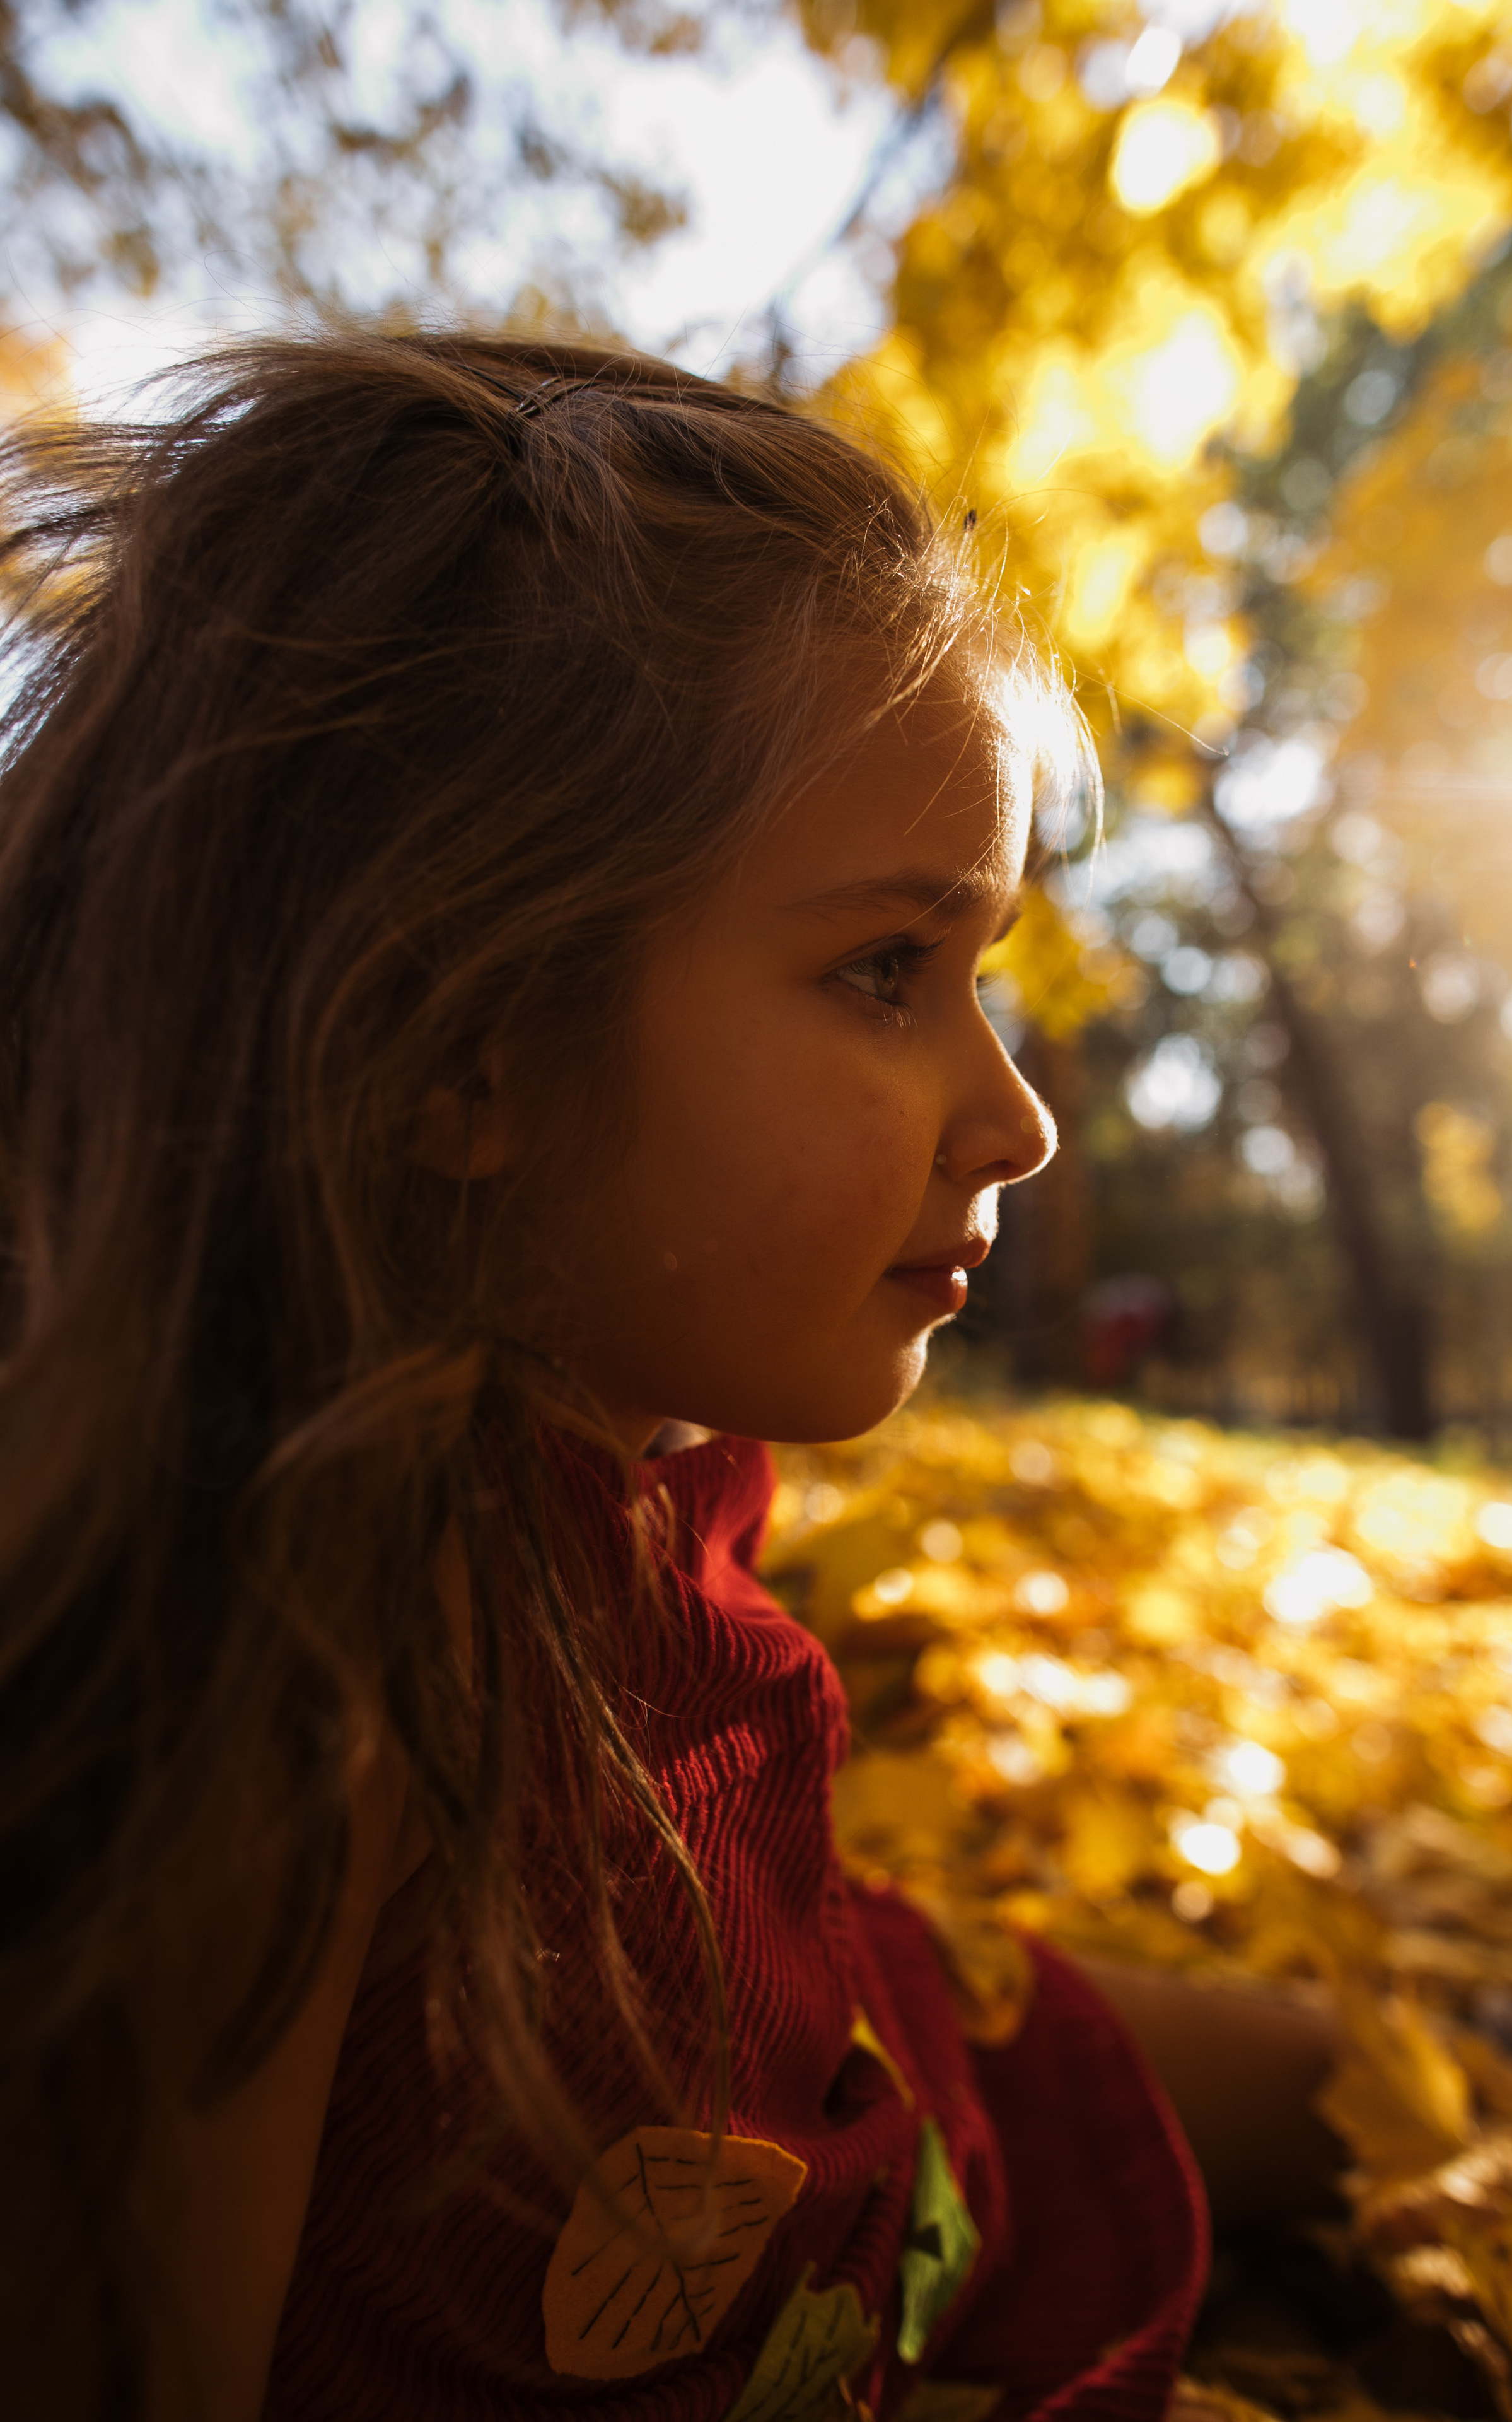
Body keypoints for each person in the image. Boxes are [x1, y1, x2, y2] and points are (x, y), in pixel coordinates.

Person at [0, 334, 1338, 2422]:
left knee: (1347, 2091)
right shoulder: (288, 1682)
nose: (1019, 1118)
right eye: (886, 969)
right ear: (461, 1048)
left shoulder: (620, 1428)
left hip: (895, 2071)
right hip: (859, 2218)